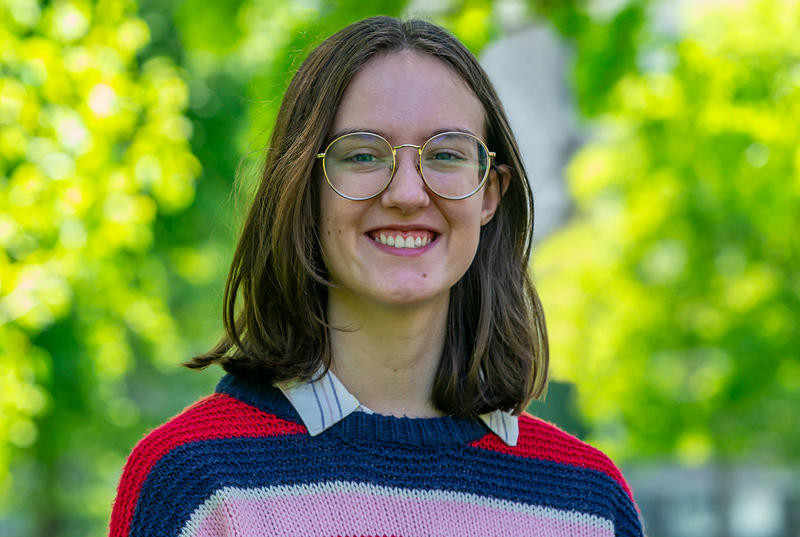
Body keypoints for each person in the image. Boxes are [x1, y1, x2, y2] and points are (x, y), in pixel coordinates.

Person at [109, 16, 644, 537]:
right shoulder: (195, 484)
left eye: (445, 154)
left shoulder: (587, 502)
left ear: (489, 195)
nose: (407, 193)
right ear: (304, 187)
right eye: (364, 154)